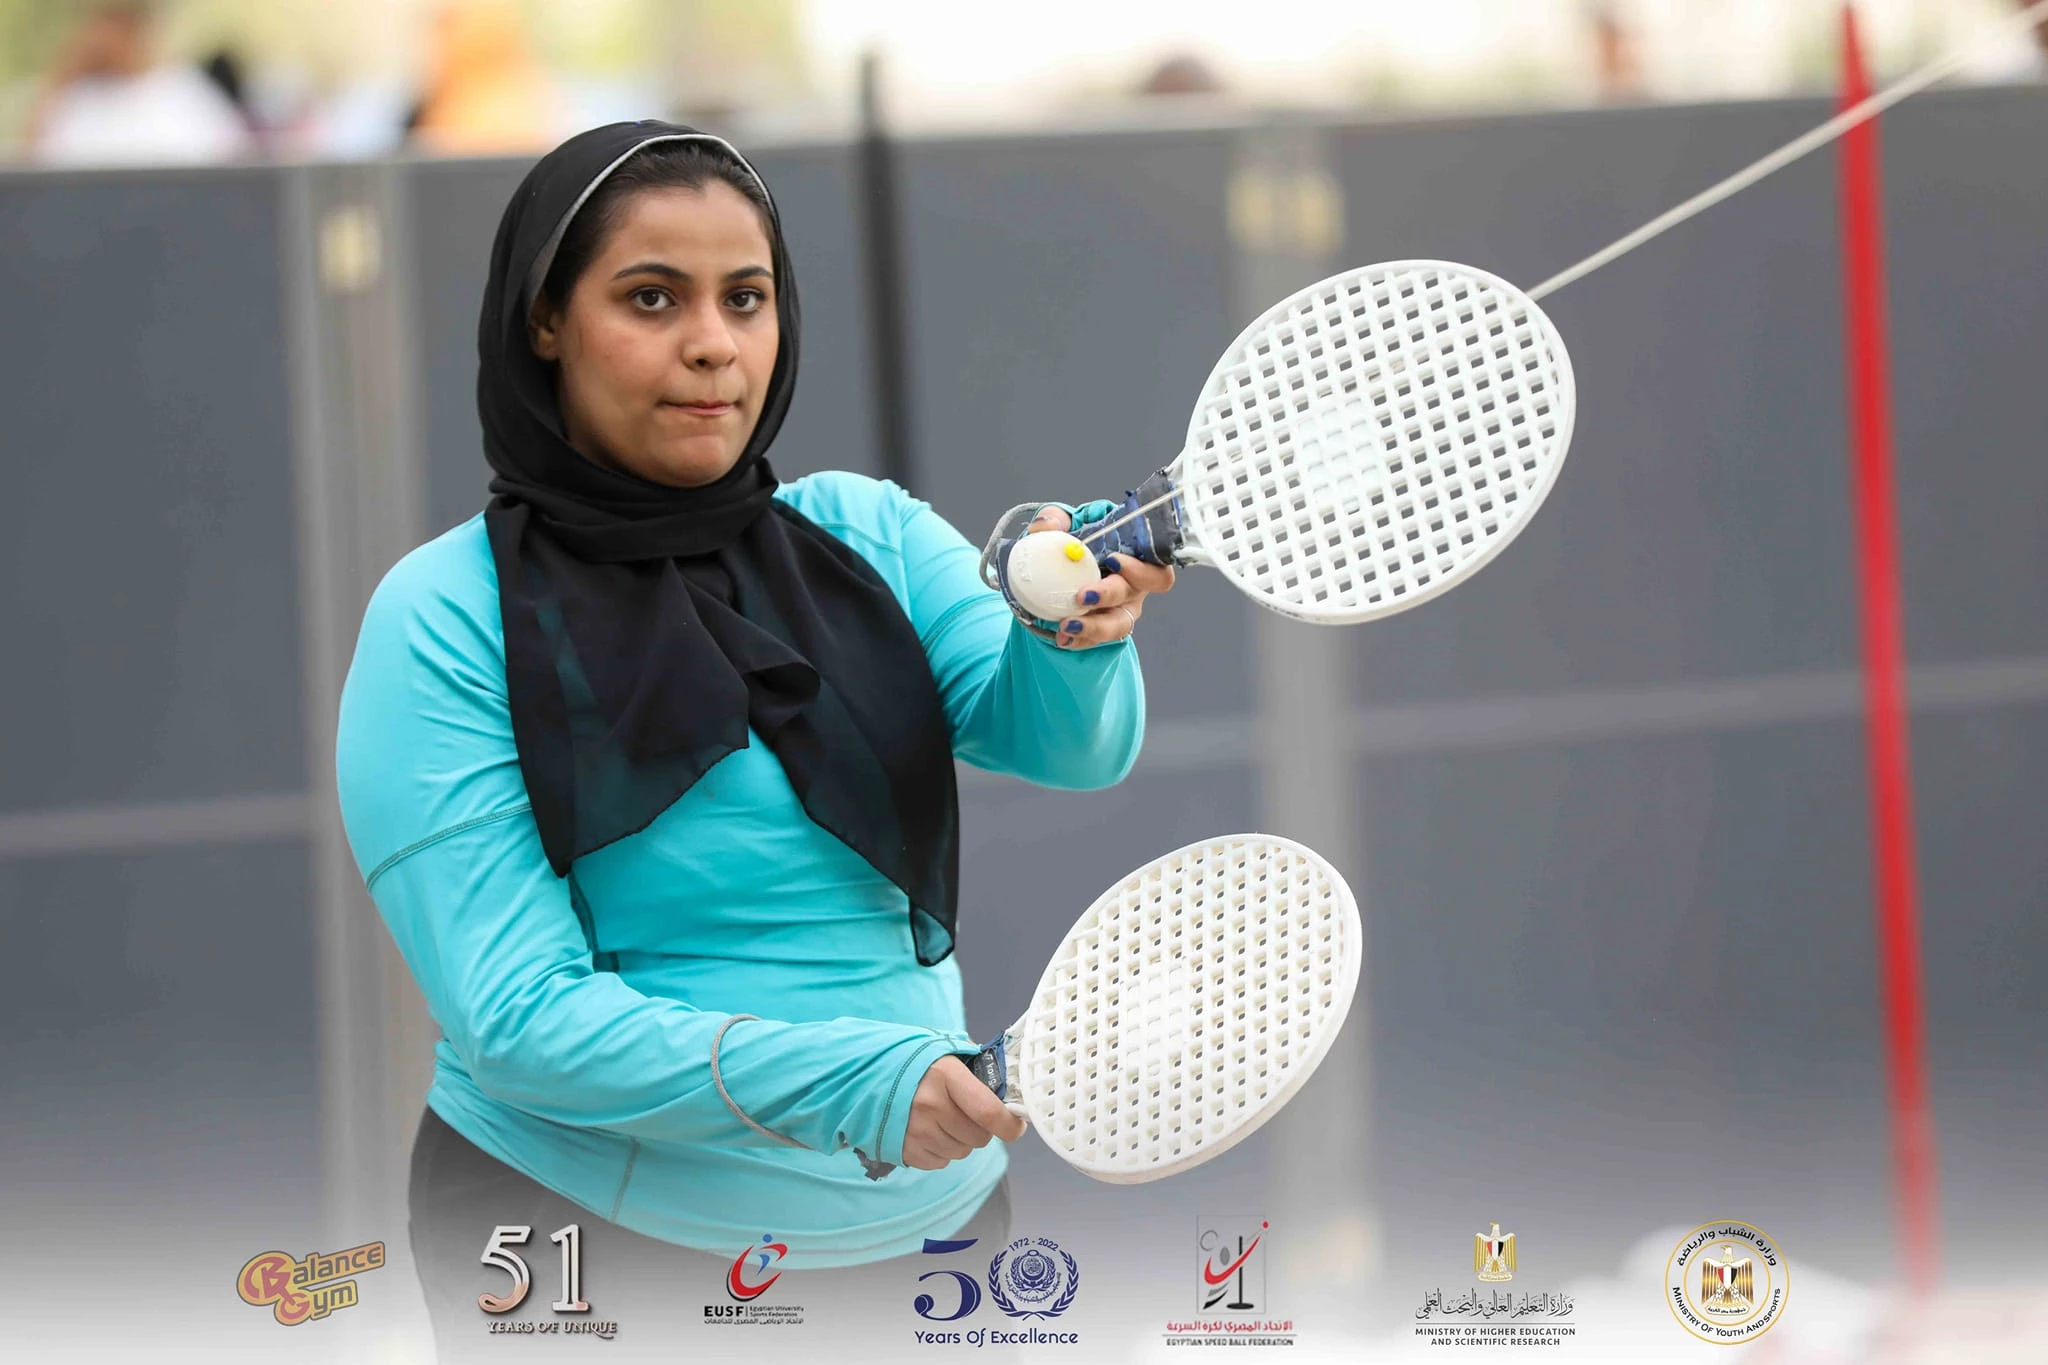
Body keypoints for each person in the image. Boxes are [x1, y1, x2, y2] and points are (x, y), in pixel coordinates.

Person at [334, 122, 1172, 1362]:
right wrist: (859, 1086)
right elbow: (514, 1019)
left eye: (745, 297)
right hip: (590, 1242)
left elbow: (1061, 747)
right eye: (650, 297)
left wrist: (1073, 629)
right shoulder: (446, 613)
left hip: (938, 1233)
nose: (712, 343)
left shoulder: (867, 533)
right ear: (544, 322)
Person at [24, 2, 251, 167]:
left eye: (111, 22)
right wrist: (60, 81)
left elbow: (235, 170)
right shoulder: (73, 99)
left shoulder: (188, 95)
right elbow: (31, 171)